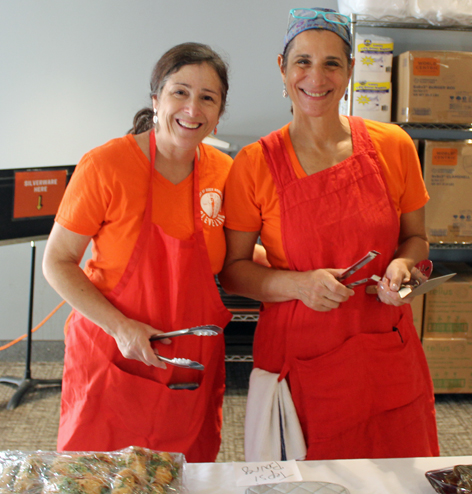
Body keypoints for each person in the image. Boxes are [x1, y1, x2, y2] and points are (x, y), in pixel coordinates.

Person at [218, 8, 440, 460]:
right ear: (281, 67)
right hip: (302, 365)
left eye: (331, 63)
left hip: (386, 357)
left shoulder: (393, 146)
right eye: (302, 61)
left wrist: (404, 268)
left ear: (350, 71)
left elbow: (415, 239)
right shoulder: (255, 164)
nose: (315, 77)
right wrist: (299, 284)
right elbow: (234, 272)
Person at [42, 42, 234, 462]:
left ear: (220, 112)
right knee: (96, 479)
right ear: (155, 99)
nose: (193, 108)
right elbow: (56, 262)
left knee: (182, 479)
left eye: (208, 98)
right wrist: (121, 326)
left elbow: (230, 261)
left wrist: (300, 273)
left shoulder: (225, 173)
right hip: (111, 360)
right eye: (180, 92)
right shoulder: (106, 166)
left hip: (187, 364)